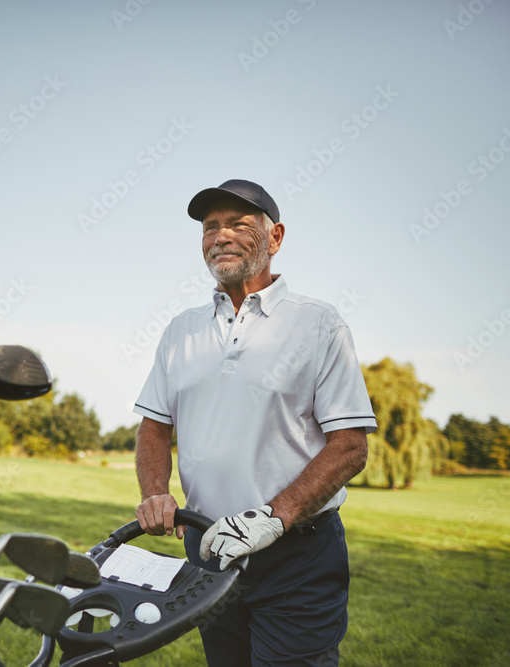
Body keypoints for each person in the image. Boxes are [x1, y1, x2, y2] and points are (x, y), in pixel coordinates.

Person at [133, 179, 377, 666]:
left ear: (276, 237)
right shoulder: (181, 330)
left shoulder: (320, 324)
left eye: (238, 224)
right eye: (210, 227)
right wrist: (154, 489)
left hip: (297, 558)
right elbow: (155, 426)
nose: (220, 236)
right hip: (209, 552)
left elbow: (349, 445)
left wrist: (275, 516)